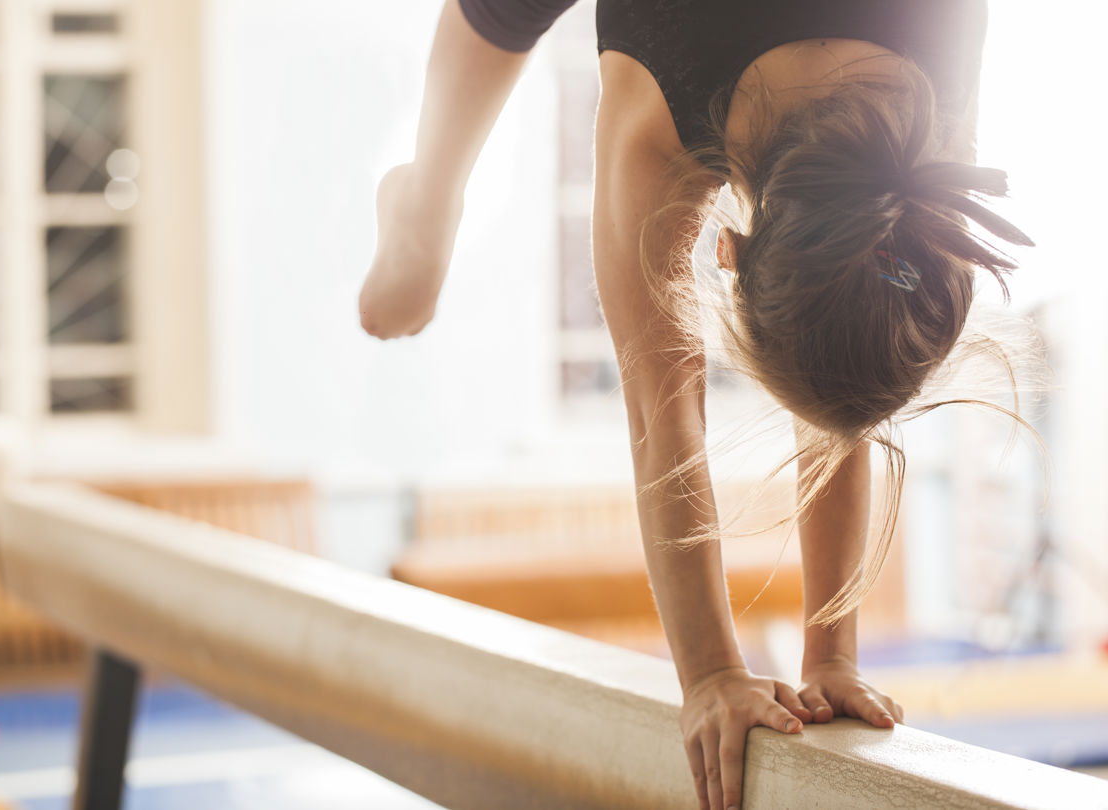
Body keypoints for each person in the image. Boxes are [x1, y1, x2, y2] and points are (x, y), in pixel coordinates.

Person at [358, 2, 1031, 809]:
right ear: (727, 251)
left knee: (843, 307)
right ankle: (426, 207)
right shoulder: (656, 117)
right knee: (404, 279)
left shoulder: (930, 131)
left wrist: (832, 661)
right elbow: (660, 416)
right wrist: (709, 671)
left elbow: (852, 340)